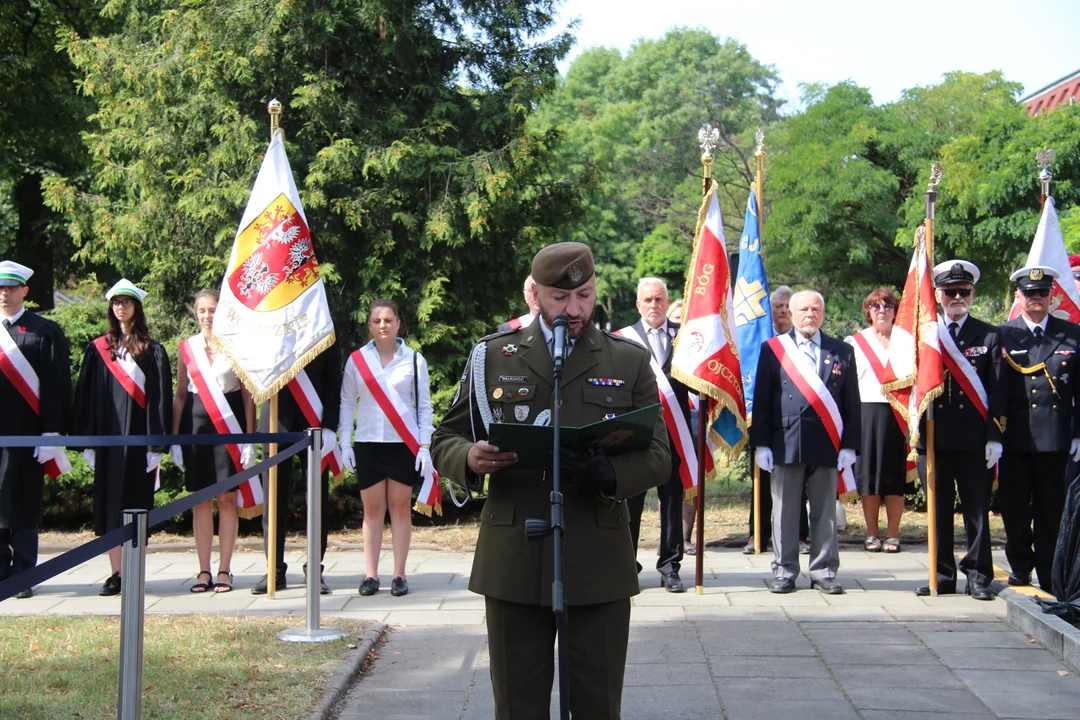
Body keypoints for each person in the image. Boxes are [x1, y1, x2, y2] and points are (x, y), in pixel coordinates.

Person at [431, 242, 670, 718]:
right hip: (514, 555)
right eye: (560, 298)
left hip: (596, 556)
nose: (574, 309)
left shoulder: (627, 361)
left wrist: (611, 473)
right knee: (517, 705)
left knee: (597, 704)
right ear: (535, 295)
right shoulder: (494, 356)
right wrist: (470, 457)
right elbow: (446, 438)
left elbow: (660, 455)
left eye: (583, 295)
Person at [750, 290, 860, 594]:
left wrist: (850, 445)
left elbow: (851, 402)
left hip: (827, 440)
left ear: (823, 313)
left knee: (824, 511)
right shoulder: (773, 349)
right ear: (792, 314)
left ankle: (823, 570)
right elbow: (762, 400)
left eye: (815, 309)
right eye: (803, 309)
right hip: (786, 440)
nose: (809, 314)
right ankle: (784, 570)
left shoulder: (842, 351)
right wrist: (760, 444)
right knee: (784, 510)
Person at [73, 279, 172, 597]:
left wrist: (156, 443)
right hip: (108, 443)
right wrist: (86, 441)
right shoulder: (99, 349)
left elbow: (159, 399)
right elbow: (85, 398)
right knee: (108, 508)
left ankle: (134, 573)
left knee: (136, 506)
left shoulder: (153, 351)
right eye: (116, 302)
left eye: (127, 302)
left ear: (136, 307)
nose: (121, 307)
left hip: (139, 445)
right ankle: (116, 573)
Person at [912, 261, 1003, 600]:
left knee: (977, 511)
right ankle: (942, 575)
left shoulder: (990, 335)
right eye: (950, 291)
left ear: (972, 294)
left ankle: (979, 576)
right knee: (938, 512)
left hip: (973, 439)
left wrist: (996, 435)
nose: (957, 297)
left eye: (963, 291)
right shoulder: (926, 335)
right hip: (933, 440)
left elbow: (999, 391)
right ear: (937, 294)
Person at [338, 299, 434, 598]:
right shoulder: (356, 361)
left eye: (388, 320)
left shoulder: (414, 360)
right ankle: (371, 575)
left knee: (401, 509)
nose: (383, 325)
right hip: (368, 443)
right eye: (377, 320)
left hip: (402, 445)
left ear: (398, 324)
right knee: (373, 511)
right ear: (370, 325)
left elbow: (424, 407)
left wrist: (425, 446)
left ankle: (399, 574)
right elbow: (345, 402)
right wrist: (345, 441)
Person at [997, 265, 1080, 590]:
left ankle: (1048, 568)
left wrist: (1078, 433)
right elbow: (996, 388)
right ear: (1019, 296)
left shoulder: (1072, 333)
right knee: (1014, 506)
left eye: (1042, 293)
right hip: (1014, 437)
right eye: (1029, 293)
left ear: (1051, 296)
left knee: (1051, 508)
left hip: (1055, 437)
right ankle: (1019, 564)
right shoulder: (1003, 334)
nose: (1036, 298)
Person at [170, 290, 256, 593]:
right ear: (196, 313)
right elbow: (180, 396)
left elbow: (247, 395)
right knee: (201, 500)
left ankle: (225, 570)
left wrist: (249, 438)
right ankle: (204, 570)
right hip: (196, 427)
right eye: (203, 311)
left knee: (229, 498)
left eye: (213, 310)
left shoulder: (237, 346)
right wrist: (175, 439)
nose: (208, 316)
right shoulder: (187, 348)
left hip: (229, 425)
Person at [0, 261, 70, 599]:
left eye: (11, 286)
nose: (5, 292)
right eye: (1, 287)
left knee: (25, 503)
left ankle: (24, 573)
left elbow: (56, 385)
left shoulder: (44, 331)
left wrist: (51, 434)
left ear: (25, 290)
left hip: (29, 435)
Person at [252, 341, 340, 595]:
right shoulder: (271, 324)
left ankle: (314, 569)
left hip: (314, 421)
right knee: (273, 500)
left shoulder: (322, 324)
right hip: (276, 420)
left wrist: (330, 426)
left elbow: (333, 381)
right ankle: (274, 570)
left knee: (316, 501)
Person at [620, 277, 690, 592]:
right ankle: (626, 563)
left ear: (667, 301)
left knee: (672, 501)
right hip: (635, 436)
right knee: (630, 502)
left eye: (659, 299)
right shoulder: (622, 340)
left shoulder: (686, 338)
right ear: (638, 304)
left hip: (675, 434)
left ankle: (670, 566)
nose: (654, 305)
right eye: (647, 300)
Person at [744, 285, 811, 556]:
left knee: (798, 480)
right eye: (777, 307)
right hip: (764, 417)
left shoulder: (805, 340)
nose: (783, 311)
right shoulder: (761, 340)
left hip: (797, 422)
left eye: (787, 307)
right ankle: (756, 534)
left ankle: (799, 536)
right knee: (760, 479)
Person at [845, 288, 909, 553]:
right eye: (876, 306)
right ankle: (872, 534)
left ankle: (893, 534)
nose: (882, 310)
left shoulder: (907, 341)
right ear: (868, 312)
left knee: (895, 477)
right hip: (866, 414)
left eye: (888, 305)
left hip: (898, 414)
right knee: (868, 477)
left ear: (896, 310)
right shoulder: (854, 342)